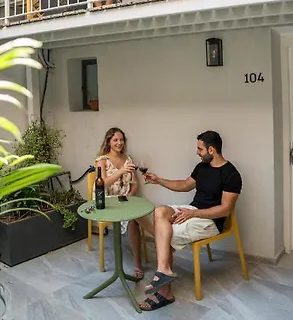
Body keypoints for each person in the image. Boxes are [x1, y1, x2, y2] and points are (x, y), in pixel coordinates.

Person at [138, 130, 242, 311]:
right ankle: (163, 270)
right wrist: (158, 180)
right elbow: (185, 185)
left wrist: (194, 214)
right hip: (193, 210)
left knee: (165, 234)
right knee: (160, 211)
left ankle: (165, 293)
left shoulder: (231, 174)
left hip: (211, 220)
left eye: (200, 149)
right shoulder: (202, 167)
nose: (197, 152)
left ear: (211, 150)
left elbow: (225, 209)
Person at [94, 127, 154, 279]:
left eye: (121, 140)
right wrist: (121, 171)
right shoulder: (102, 160)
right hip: (107, 202)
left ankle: (138, 260)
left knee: (135, 217)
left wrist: (130, 196)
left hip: (124, 200)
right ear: (109, 142)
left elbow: (135, 183)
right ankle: (159, 239)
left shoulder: (128, 159)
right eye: (115, 140)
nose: (119, 143)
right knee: (134, 218)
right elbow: (103, 183)